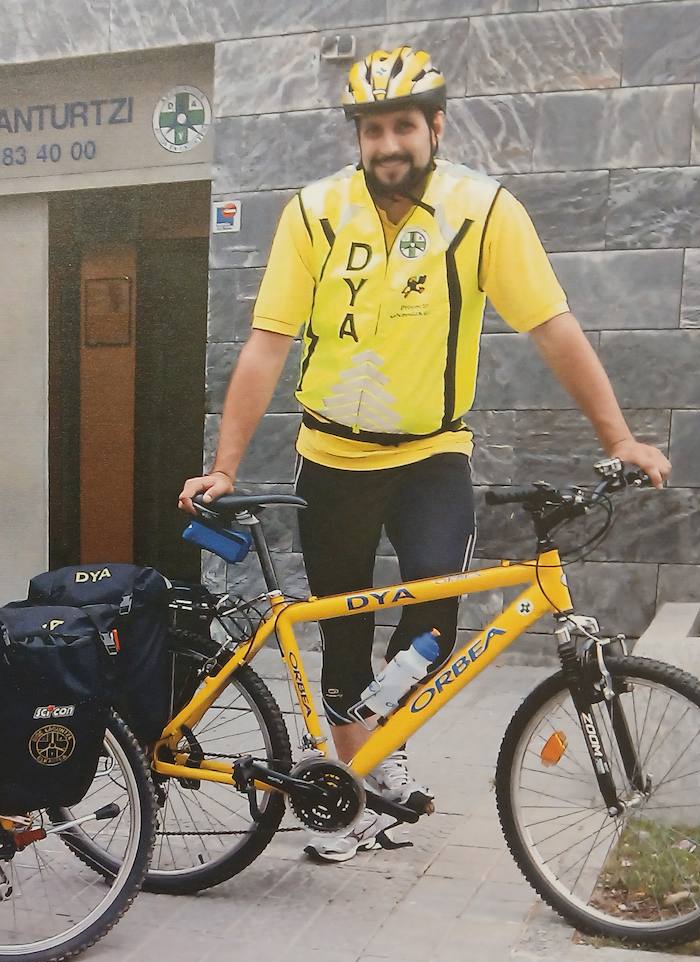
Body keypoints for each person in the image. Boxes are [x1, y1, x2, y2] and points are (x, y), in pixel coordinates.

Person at [180, 47, 669, 863]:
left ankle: (377, 748)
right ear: (359, 137)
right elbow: (267, 345)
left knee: (433, 625)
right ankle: (348, 791)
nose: (387, 144)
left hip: (432, 456)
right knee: (342, 633)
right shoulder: (315, 213)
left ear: (434, 128)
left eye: (403, 125)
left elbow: (552, 325)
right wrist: (225, 464)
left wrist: (616, 437)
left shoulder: (482, 213)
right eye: (372, 129)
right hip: (330, 459)